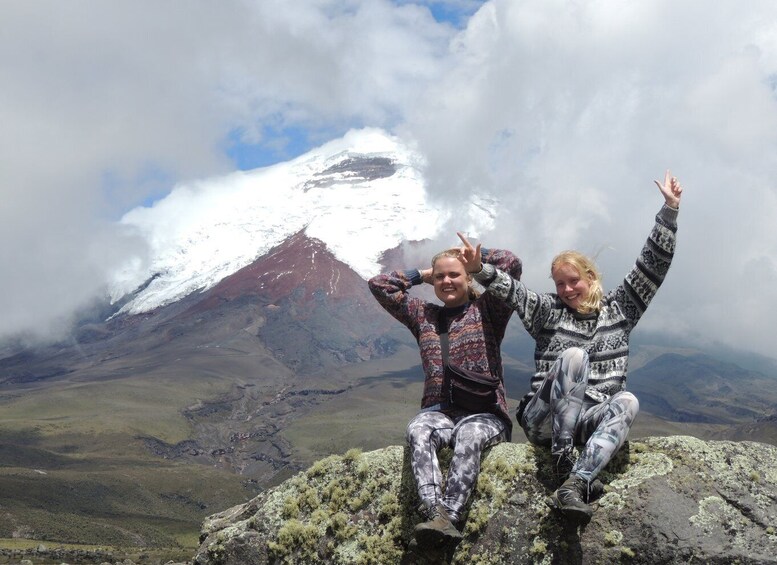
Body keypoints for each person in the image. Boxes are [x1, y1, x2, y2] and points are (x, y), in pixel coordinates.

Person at [459, 170, 683, 523]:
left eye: (572, 280)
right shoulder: (547, 311)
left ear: (590, 278)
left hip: (587, 422)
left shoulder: (621, 309)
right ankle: (564, 457)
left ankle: (574, 484)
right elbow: (515, 292)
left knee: (627, 401)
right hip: (542, 421)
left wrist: (669, 213)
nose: (565, 289)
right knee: (574, 357)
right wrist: (480, 270)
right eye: (559, 283)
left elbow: (651, 268)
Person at [368, 245, 522, 551]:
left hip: (485, 413)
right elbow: (380, 285)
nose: (447, 281)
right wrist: (422, 274)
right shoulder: (423, 316)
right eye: (440, 277)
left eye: (455, 275)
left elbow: (512, 265)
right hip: (438, 412)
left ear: (468, 278)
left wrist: (476, 260)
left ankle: (449, 517)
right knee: (418, 430)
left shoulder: (490, 310)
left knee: (469, 435)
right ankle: (432, 510)